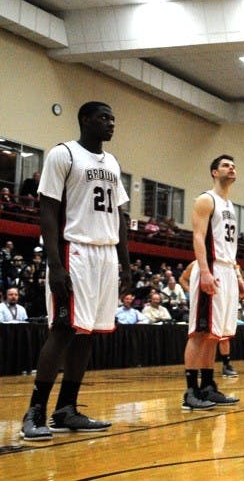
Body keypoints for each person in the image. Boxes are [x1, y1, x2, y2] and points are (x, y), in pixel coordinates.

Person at [19, 101, 132, 442]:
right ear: (85, 120)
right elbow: (48, 210)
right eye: (104, 118)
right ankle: (35, 410)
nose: (111, 124)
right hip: (75, 250)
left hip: (106, 254)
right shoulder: (63, 154)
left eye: (113, 118)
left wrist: (125, 263)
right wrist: (54, 263)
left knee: (89, 333)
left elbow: (120, 218)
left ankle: (66, 408)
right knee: (65, 329)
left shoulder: (112, 162)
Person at [181, 155, 244, 411]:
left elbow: (230, 246)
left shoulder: (230, 205)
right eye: (226, 165)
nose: (232, 168)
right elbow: (198, 237)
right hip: (212, 268)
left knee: (214, 335)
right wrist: (205, 271)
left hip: (228, 270)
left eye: (234, 165)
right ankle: (190, 391)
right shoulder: (206, 200)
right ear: (213, 172)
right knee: (199, 332)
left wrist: (238, 275)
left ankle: (208, 386)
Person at [180, 260, 236, 377]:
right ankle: (197, 369)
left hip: (220, 299)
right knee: (202, 336)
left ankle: (226, 365)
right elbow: (182, 278)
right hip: (204, 300)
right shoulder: (195, 264)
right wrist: (191, 291)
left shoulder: (223, 263)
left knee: (223, 336)